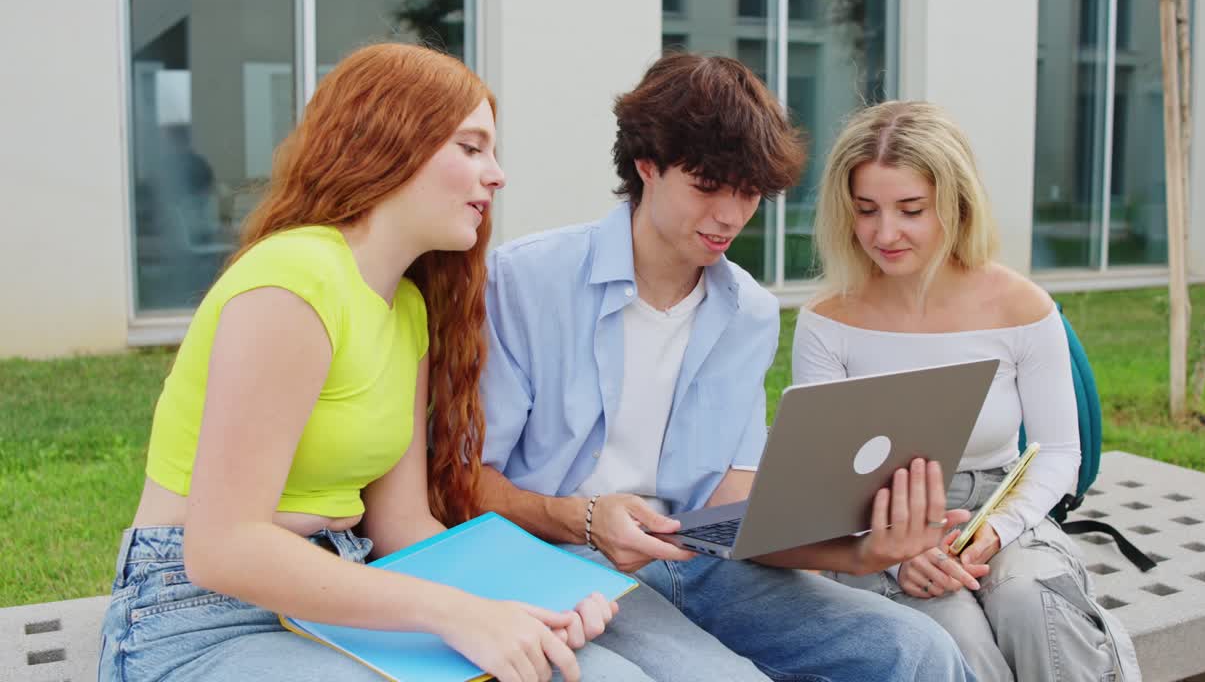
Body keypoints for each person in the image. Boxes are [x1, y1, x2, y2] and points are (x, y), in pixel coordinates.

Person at [97, 43, 649, 682]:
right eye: (470, 149)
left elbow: (402, 523)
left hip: (346, 589)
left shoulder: (405, 307)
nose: (495, 175)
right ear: (390, 144)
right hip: (197, 613)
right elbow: (223, 550)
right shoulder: (293, 280)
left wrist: (516, 605)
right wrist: (453, 613)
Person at [474, 53, 975, 681]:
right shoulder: (524, 282)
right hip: (558, 559)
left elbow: (731, 514)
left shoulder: (750, 314)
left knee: (916, 650)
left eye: (748, 194)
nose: (731, 217)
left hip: (700, 562)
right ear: (647, 165)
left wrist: (862, 552)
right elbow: (462, 480)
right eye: (708, 187)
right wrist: (586, 518)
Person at [793, 100, 1141, 681]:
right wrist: (893, 549)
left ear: (954, 203)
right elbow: (821, 478)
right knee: (952, 633)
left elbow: (1058, 454)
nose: (885, 233)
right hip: (880, 526)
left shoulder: (1020, 305)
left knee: (1034, 603)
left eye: (910, 210)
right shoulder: (828, 322)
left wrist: (997, 531)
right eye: (866, 210)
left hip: (1005, 508)